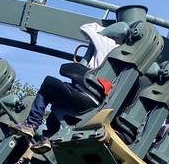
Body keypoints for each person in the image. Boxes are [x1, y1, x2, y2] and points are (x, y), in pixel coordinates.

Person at [12, 22, 129, 152]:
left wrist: (105, 30)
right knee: (58, 102)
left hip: (84, 91)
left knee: (47, 86)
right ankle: (48, 137)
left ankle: (31, 124)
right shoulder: (125, 63)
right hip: (98, 104)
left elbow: (85, 28)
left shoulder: (107, 43)